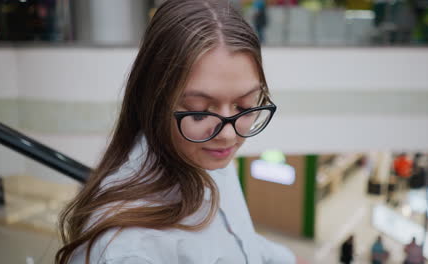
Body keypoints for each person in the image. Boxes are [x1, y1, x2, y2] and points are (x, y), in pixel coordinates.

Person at [55, 0, 307, 263]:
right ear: (153, 100)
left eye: (244, 105)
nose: (229, 136)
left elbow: (239, 239)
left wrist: (287, 258)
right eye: (198, 111)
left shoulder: (206, 150)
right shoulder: (130, 249)